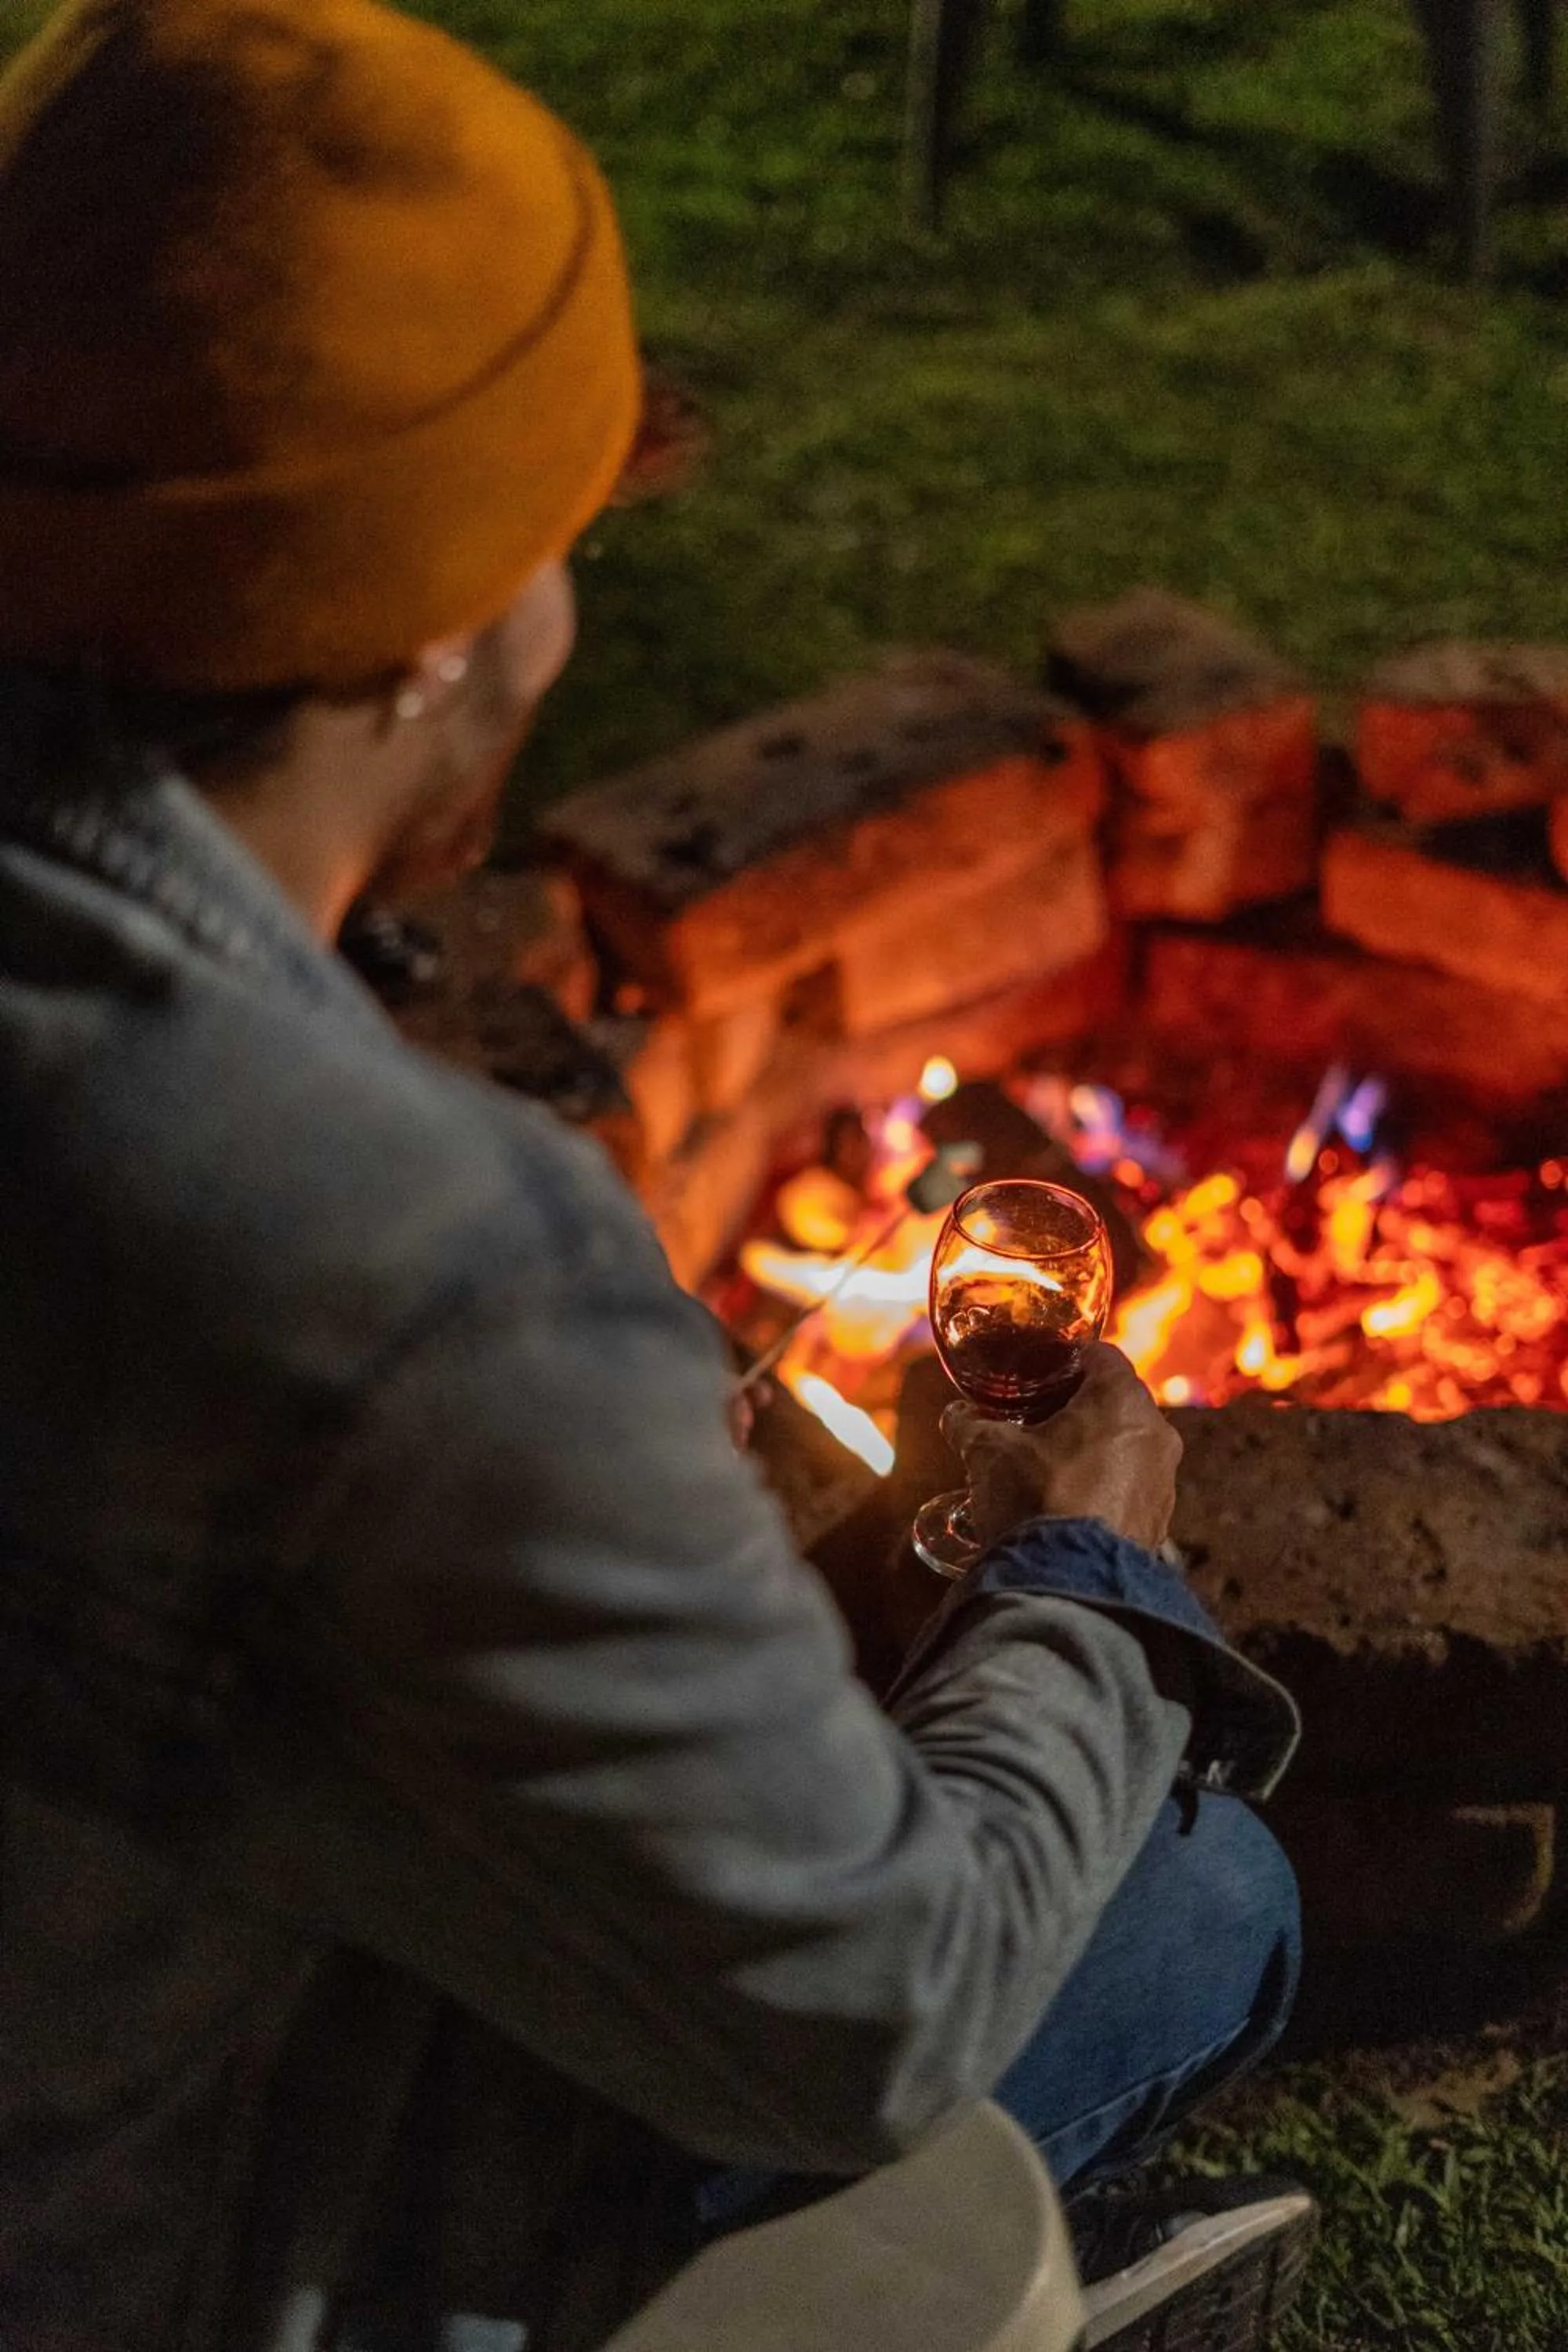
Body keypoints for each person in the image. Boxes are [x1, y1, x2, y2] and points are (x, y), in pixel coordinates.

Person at [0, 4, 1311, 2349]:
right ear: (429, 623)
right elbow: (878, 2011)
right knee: (1204, 1898)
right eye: (564, 530)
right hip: (158, 2235)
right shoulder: (401, 1275)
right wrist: (1096, 1565)